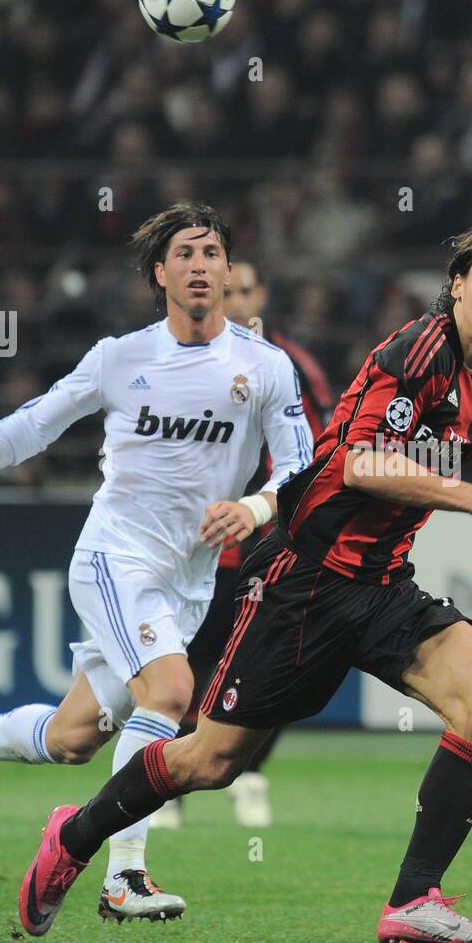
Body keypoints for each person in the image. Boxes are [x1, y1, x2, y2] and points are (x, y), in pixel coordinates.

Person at [19, 226, 472, 943]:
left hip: (385, 587)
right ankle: (73, 837)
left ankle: (412, 902)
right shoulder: (417, 351)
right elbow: (361, 464)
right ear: (455, 285)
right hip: (302, 583)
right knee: (208, 761)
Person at [0, 204, 312, 922]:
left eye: (212, 252)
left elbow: (303, 468)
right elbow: (38, 422)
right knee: (169, 694)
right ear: (159, 274)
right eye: (184, 253)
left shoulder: (265, 367)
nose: (199, 264)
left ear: (228, 271)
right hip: (114, 558)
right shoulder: (119, 356)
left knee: (73, 738)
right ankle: (124, 875)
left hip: (186, 585)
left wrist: (254, 508)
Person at [153, 259, 335, 830]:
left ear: (263, 296)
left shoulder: (292, 368)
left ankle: (250, 772)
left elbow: (318, 456)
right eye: (232, 289)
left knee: (272, 662)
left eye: (250, 288)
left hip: (270, 544)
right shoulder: (179, 360)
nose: (240, 299)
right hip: (197, 542)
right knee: (186, 663)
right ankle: (171, 787)